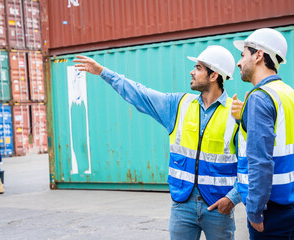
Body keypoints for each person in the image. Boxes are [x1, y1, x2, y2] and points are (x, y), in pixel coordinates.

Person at [74, 45, 241, 239]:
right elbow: (140, 93)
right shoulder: (179, 105)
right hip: (182, 205)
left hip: (218, 208)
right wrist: (103, 72)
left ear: (214, 76)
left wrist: (232, 198)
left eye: (198, 68)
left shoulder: (236, 113)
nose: (192, 71)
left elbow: (251, 164)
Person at [231, 28, 294, 239]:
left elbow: (260, 161)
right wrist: (244, 119)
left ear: (259, 55)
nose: (239, 63)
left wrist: (254, 212)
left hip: (269, 210)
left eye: (243, 55)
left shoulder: (260, 98)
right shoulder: (291, 95)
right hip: (292, 204)